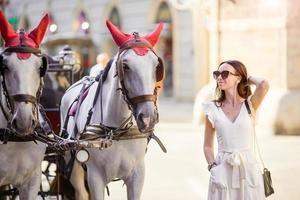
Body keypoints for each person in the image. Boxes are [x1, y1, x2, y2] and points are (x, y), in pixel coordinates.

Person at [202, 60, 269, 199]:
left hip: (248, 170)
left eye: (225, 74)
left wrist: (247, 78)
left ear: (238, 78)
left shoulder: (250, 105)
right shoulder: (212, 109)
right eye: (217, 74)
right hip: (222, 170)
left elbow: (263, 84)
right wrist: (213, 167)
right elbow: (207, 146)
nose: (220, 77)